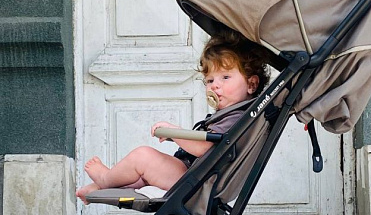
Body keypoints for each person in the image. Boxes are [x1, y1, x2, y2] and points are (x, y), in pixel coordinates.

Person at [76, 31, 270, 204]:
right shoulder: (236, 114)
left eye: (225, 77)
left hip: (197, 181)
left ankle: (105, 178)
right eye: (210, 80)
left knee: (143, 156)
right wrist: (174, 136)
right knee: (138, 178)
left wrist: (175, 132)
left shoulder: (237, 117)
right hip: (195, 175)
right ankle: (99, 187)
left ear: (251, 84)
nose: (215, 85)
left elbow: (203, 147)